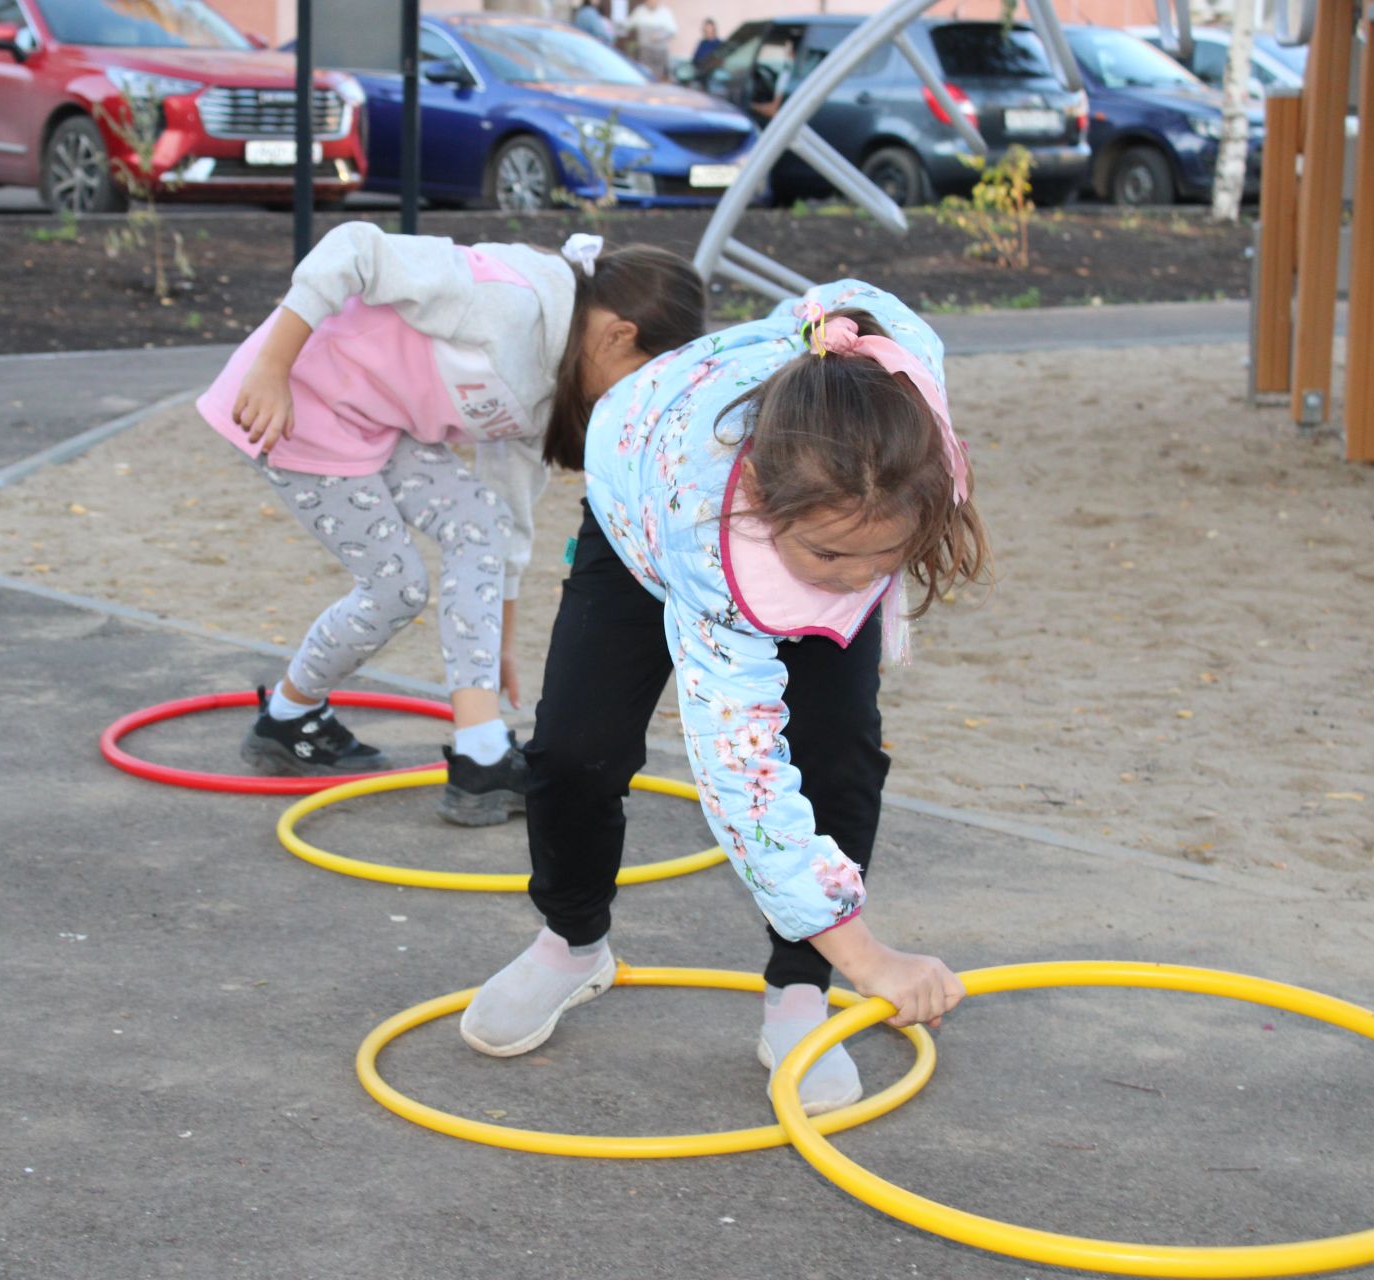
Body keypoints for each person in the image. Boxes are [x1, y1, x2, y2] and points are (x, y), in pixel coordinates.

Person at [460, 280, 989, 1111]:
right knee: (573, 745)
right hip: (648, 507)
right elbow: (743, 778)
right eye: (830, 559)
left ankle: (798, 991)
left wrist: (846, 567)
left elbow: (849, 296)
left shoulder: (904, 427)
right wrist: (870, 958)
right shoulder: (712, 537)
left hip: (780, 497)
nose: (855, 580)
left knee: (840, 748)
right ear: (768, 511)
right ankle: (572, 941)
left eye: (882, 560)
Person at [200, 226, 705, 826]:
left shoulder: (549, 393)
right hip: (291, 408)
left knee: (479, 522)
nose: (637, 396)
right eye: (643, 376)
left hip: (373, 424)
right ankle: (287, 718)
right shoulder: (505, 304)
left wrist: (500, 647)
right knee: (396, 588)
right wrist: (273, 367)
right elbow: (354, 248)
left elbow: (510, 516)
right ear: (620, 336)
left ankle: (480, 753)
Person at [621, 0, 678, 80]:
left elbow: (673, 31)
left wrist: (660, 36)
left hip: (659, 50)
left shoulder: (665, 12)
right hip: (645, 48)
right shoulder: (640, 11)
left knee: (657, 74)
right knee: (645, 72)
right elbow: (628, 24)